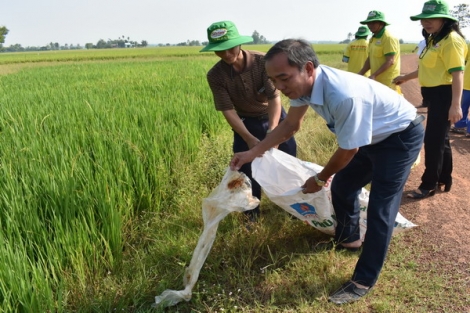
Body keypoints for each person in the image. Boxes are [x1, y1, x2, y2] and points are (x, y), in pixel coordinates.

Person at [230, 39, 424, 304]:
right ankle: (349, 239)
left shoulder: (343, 96)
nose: (279, 88)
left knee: (381, 206)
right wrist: (252, 153)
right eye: (274, 80)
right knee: (343, 186)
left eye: (284, 78)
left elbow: (348, 151)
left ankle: (363, 280)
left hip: (399, 137)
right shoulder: (303, 89)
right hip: (371, 135)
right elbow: (291, 126)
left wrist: (319, 179)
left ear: (308, 68)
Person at [199, 21, 297, 221]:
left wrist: (273, 133)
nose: (226, 55)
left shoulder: (262, 62)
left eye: (230, 48)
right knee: (246, 170)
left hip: (274, 117)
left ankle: (294, 209)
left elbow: (274, 98)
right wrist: (249, 138)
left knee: (287, 163)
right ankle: (251, 216)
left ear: (239, 44)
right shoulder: (216, 75)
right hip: (245, 123)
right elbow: (228, 110)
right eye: (219, 51)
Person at [393, 0, 466, 197]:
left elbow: (458, 73)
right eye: (424, 19)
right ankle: (444, 178)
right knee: (441, 139)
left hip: (445, 93)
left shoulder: (451, 40)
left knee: (433, 140)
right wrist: (404, 78)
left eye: (432, 18)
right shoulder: (434, 39)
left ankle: (428, 185)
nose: (427, 22)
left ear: (444, 19)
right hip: (434, 94)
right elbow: (425, 68)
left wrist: (456, 105)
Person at [358, 10, 402, 94]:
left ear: (381, 23)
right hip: (377, 81)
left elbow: (390, 61)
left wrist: (374, 75)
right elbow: (370, 58)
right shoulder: (373, 39)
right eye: (369, 23)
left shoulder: (388, 38)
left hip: (388, 82)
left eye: (374, 22)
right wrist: (360, 73)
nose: (370, 25)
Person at [451, 42, 470, 137]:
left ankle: (460, 126)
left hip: (467, 81)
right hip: (467, 81)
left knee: (463, 106)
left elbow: (464, 59)